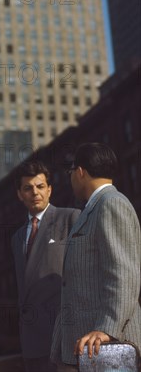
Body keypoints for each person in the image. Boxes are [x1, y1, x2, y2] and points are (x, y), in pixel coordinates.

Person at [51, 142, 141, 371]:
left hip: (107, 348)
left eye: (71, 173)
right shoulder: (93, 208)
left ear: (80, 172)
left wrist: (107, 329)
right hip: (85, 348)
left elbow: (123, 274)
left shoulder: (111, 204)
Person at [11, 161, 80, 372]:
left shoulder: (71, 218)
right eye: (28, 188)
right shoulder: (16, 237)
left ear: (49, 189)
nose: (35, 192)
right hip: (31, 343)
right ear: (19, 194)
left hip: (65, 338)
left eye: (40, 186)